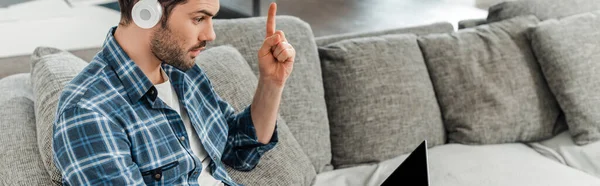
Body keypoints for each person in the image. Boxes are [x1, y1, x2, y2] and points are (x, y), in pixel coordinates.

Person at [51, 0, 295, 185]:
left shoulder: (183, 72)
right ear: (146, 12)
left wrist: (272, 82)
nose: (211, 35)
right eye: (199, 18)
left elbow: (239, 149)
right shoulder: (89, 112)